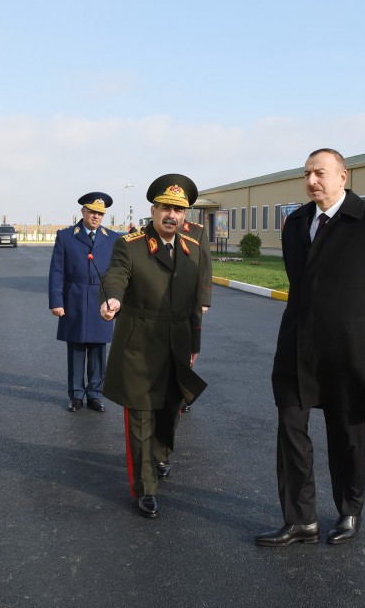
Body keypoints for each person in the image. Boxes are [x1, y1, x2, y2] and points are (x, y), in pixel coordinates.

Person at [256, 148, 365, 547]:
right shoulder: (296, 222)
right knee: (290, 427)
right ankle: (300, 520)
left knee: (347, 435)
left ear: (344, 175)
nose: (312, 181)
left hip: (347, 350)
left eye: (320, 173)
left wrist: (360, 327)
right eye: (307, 173)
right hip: (297, 345)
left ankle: (349, 511)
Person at [99, 174, 212, 518]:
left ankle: (159, 455)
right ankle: (144, 488)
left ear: (185, 216)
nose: (171, 215)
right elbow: (116, 274)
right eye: (165, 207)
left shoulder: (192, 248)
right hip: (140, 343)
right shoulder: (130, 245)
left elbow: (195, 303)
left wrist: (194, 342)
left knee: (169, 409)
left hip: (177, 342)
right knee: (142, 414)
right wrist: (113, 300)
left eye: (178, 210)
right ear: (153, 209)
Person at [48, 192, 121, 412]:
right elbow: (57, 271)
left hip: (101, 299)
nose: (96, 217)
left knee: (99, 349)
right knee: (77, 349)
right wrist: (56, 301)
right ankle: (76, 395)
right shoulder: (66, 236)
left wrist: (116, 300)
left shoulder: (113, 238)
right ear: (83, 212)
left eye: (100, 213)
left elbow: (118, 272)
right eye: (92, 212)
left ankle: (95, 395)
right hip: (75, 298)